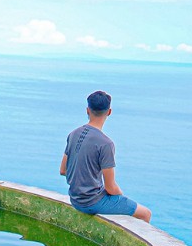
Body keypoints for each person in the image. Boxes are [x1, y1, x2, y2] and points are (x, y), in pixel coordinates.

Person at [59, 90, 152, 222]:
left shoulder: (73, 134)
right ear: (109, 112)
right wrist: (120, 197)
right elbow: (110, 187)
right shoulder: (106, 143)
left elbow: (63, 170)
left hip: (75, 199)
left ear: (87, 110)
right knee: (145, 214)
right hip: (92, 203)